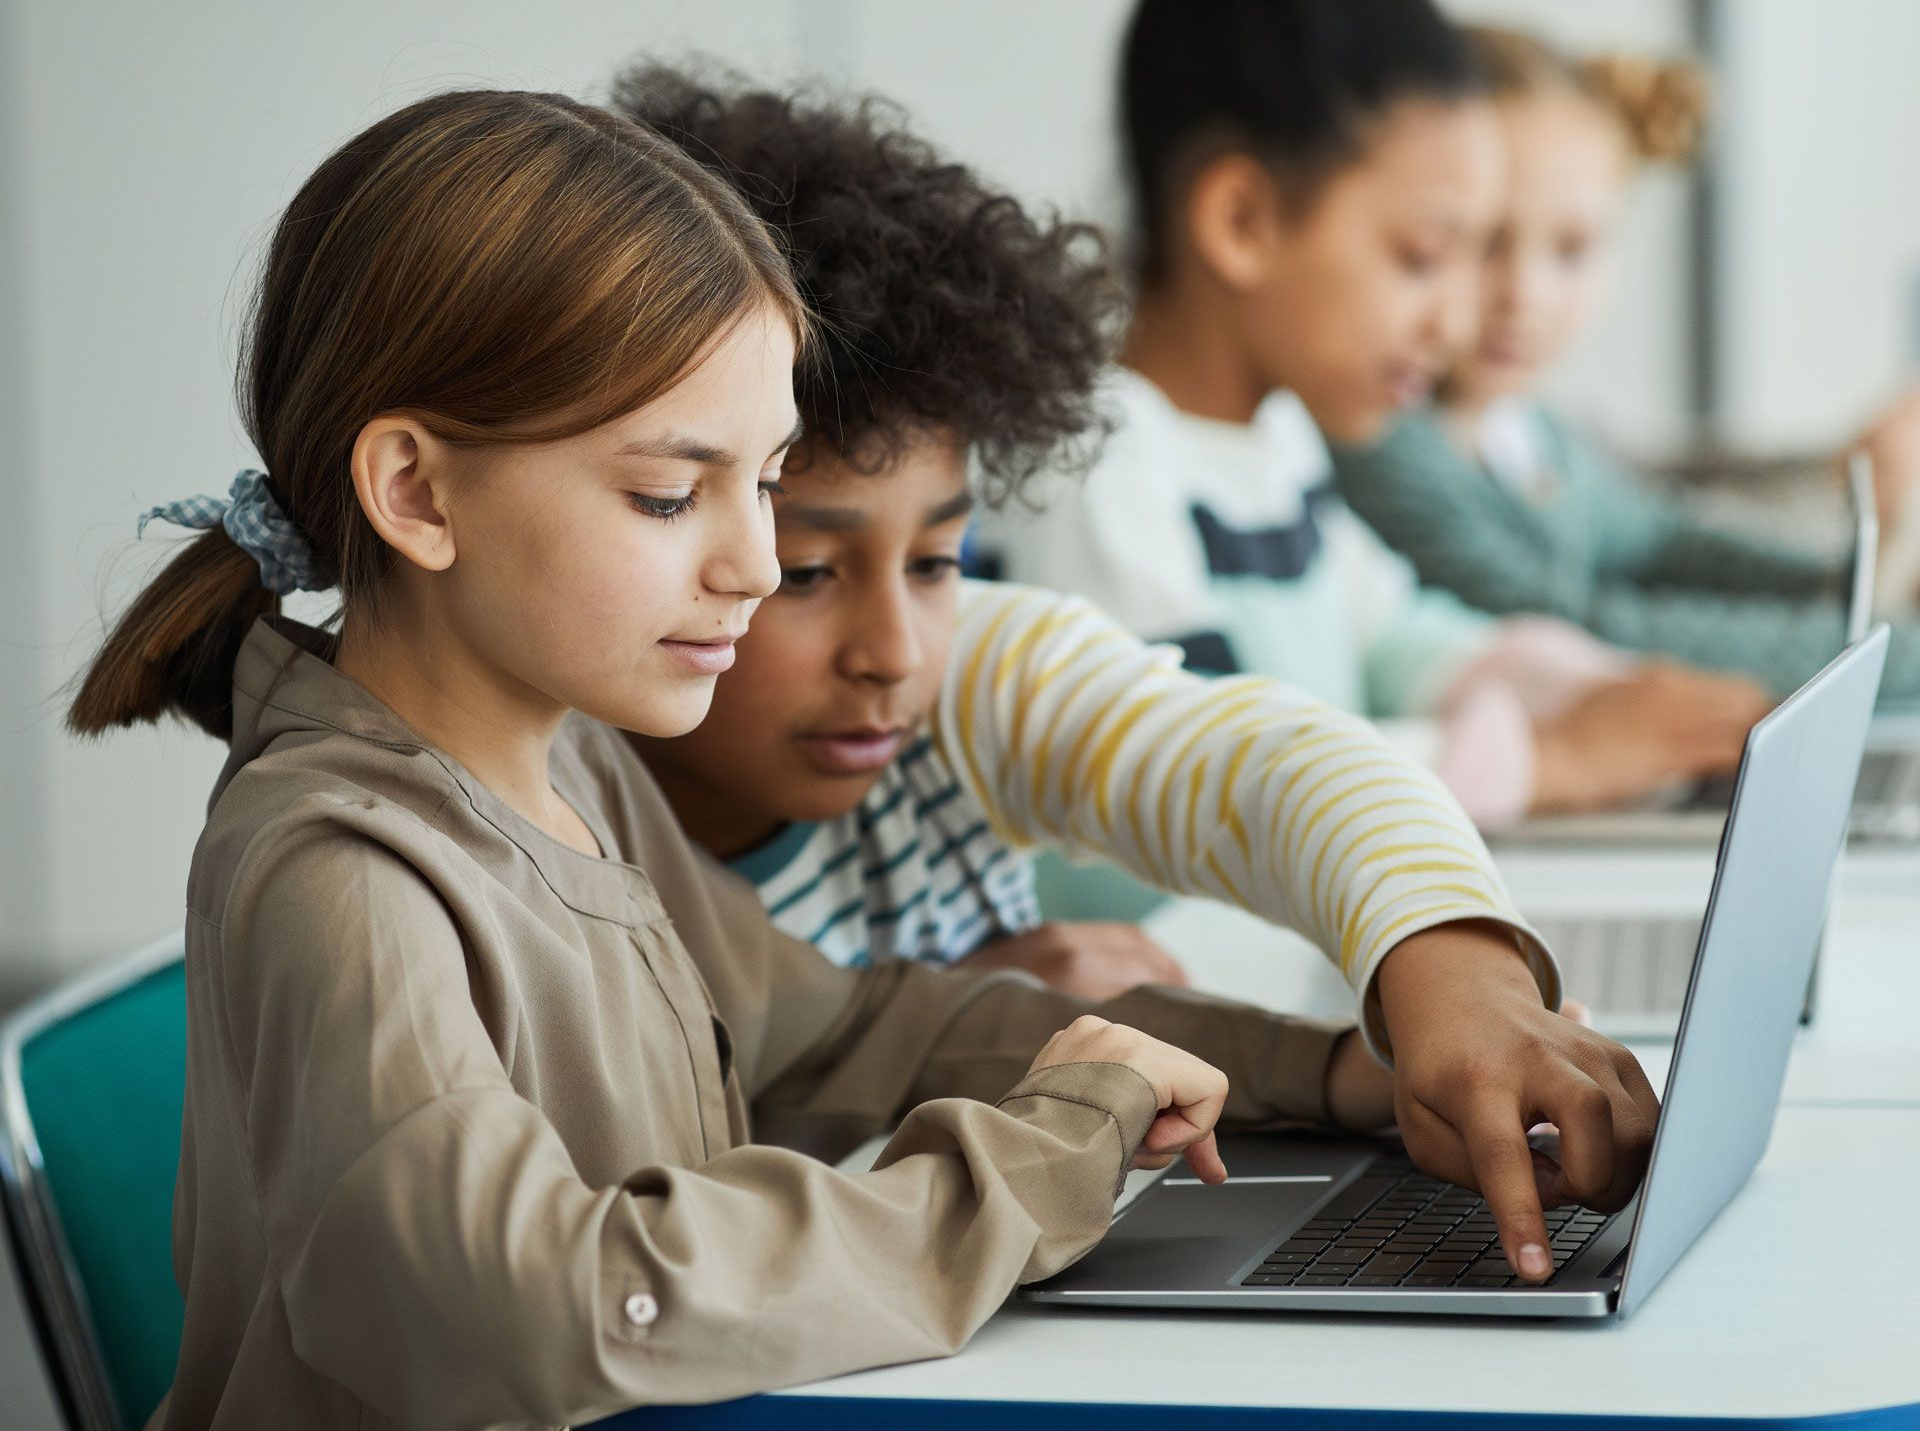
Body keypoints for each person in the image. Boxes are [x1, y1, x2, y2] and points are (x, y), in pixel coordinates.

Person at [70, 89, 1427, 1430]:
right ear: (417, 492)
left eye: (763, 483)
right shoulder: (346, 874)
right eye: (670, 493)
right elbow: (528, 1306)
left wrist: (1327, 1075)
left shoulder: (578, 770)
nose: (755, 563)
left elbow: (846, 1028)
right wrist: (1035, 1161)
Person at [614, 66, 1656, 1272]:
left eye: (942, 558)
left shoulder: (974, 674)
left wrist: (1455, 981)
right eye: (805, 575)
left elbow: (1272, 767)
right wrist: (955, 1026)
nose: (894, 653)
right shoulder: (573, 814)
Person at [981, 0, 1773, 831]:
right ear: (1243, 221)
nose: (1458, 322)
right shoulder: (1102, 463)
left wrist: (1598, 688)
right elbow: (1197, 789)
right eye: (1421, 258)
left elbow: (1397, 636)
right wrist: (1548, 762)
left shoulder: (1274, 444)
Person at [1327, 24, 1920, 701]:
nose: (1524, 295)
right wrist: (1889, 651)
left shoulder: (1532, 433)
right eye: (1485, 240)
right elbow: (1578, 631)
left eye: (1573, 248)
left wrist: (1848, 587)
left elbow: (1661, 540)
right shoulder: (1376, 438)